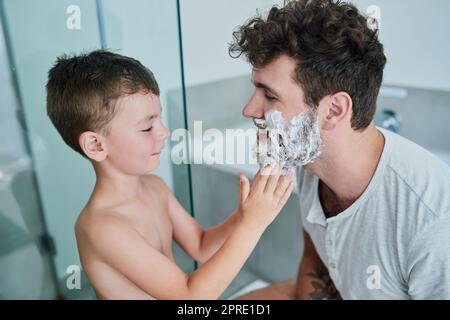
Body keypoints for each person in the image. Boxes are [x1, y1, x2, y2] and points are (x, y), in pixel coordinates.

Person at [230, 0, 450, 299]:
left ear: (333, 110)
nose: (248, 109)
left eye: (269, 95)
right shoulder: (309, 163)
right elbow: (317, 261)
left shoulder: (432, 221)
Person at [46, 50, 294, 299]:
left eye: (160, 119)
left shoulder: (154, 187)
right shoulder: (100, 227)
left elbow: (200, 246)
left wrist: (243, 215)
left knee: (291, 290)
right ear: (96, 146)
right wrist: (253, 225)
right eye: (147, 127)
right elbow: (190, 298)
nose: (164, 132)